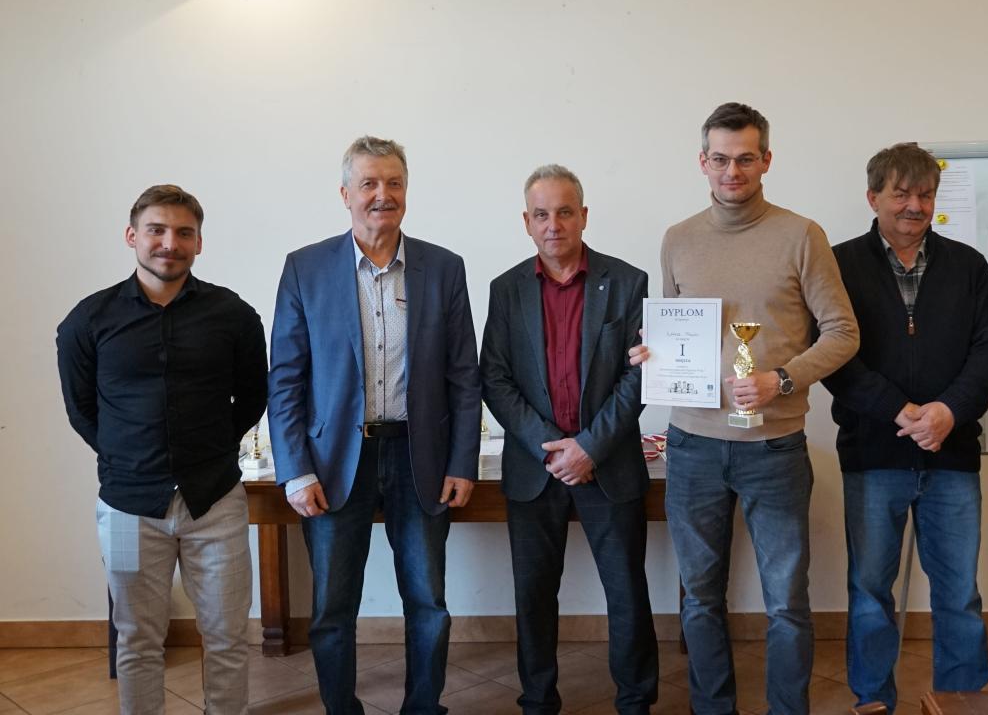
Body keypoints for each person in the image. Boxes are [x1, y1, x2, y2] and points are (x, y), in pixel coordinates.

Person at [631, 102, 860, 714]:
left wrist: (781, 379)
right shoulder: (678, 239)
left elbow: (843, 332)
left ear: (766, 161)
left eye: (745, 159)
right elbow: (677, 329)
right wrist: (656, 352)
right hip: (692, 447)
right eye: (721, 159)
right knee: (700, 598)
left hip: (774, 448)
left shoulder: (801, 235)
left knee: (786, 602)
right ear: (702, 162)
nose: (733, 171)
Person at [268, 135, 481, 714]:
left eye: (394, 183)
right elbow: (285, 378)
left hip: (420, 456)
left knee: (428, 603)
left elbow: (464, 376)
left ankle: (423, 707)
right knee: (332, 608)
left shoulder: (444, 268)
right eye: (368, 183)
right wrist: (295, 470)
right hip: (336, 461)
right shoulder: (305, 268)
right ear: (346, 194)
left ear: (406, 191)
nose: (382, 195)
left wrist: (463, 461)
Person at [57, 184, 267, 715]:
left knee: (227, 637)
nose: (169, 243)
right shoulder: (88, 320)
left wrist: (210, 450)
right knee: (136, 637)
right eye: (156, 230)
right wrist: (128, 457)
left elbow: (252, 397)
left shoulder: (233, 315)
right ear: (132, 236)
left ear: (199, 243)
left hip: (215, 504)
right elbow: (81, 409)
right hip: (127, 509)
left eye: (183, 233)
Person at [823, 143, 988, 712]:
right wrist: (898, 410)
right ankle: (873, 700)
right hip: (873, 454)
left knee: (960, 595)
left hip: (953, 454)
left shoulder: (968, 265)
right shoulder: (838, 265)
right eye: (901, 194)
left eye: (925, 194)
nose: (914, 205)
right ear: (872, 197)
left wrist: (948, 411)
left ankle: (962, 703)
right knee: (870, 594)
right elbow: (833, 357)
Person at [480, 164, 658, 714]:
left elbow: (641, 375)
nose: (553, 224)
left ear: (583, 215)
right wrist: (552, 446)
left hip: (608, 464)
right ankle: (538, 700)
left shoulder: (627, 282)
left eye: (563, 212)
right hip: (536, 468)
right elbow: (495, 378)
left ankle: (636, 702)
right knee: (534, 594)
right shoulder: (506, 289)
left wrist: (588, 447)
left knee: (626, 592)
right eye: (541, 214)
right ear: (526, 222)